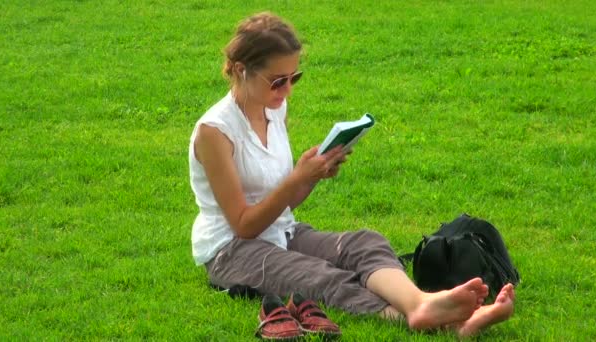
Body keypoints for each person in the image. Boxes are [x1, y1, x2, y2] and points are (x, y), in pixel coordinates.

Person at [189, 12, 515, 337]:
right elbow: (245, 226)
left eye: (294, 78)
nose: (287, 90)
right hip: (232, 251)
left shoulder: (273, 109)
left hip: (280, 231)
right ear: (243, 70)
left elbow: (282, 206)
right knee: (319, 274)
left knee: (364, 243)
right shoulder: (215, 133)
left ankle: (419, 303)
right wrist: (296, 179)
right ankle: (441, 323)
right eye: (278, 81)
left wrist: (312, 176)